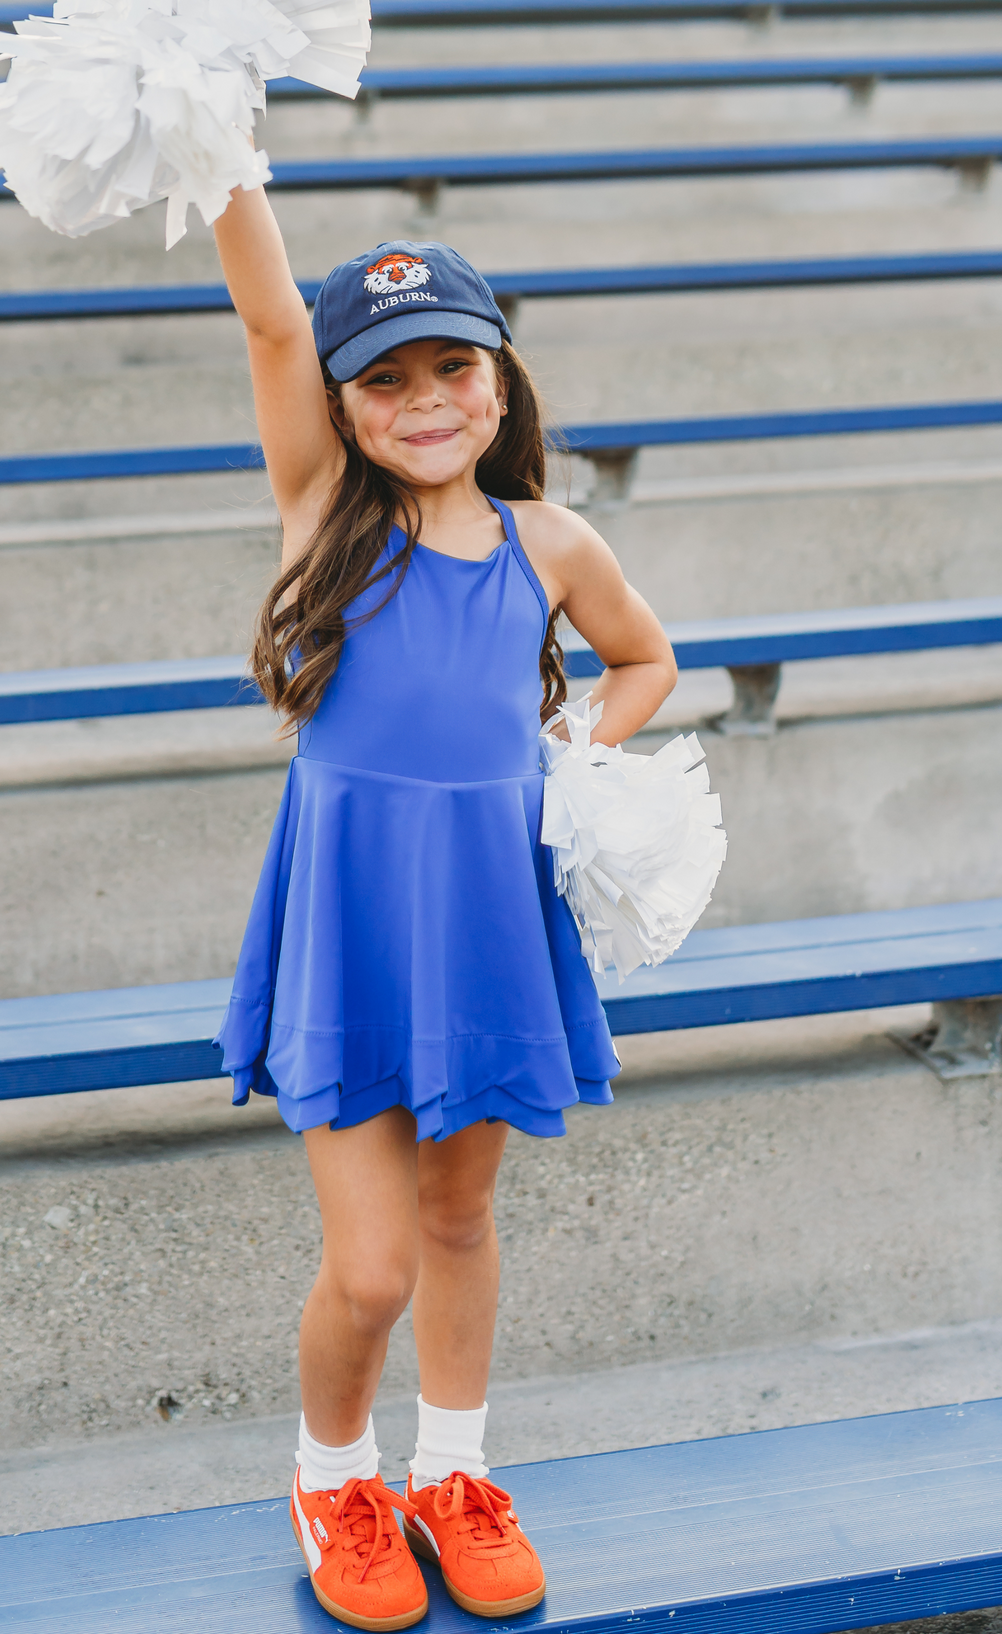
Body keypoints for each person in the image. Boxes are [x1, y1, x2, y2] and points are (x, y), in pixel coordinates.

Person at [212, 183, 677, 1631]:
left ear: (498, 380)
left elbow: (643, 661)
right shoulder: (317, 518)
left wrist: (574, 767)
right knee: (369, 1264)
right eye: (385, 378)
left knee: (460, 1219)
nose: (423, 400)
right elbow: (272, 316)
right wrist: (224, 151)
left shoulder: (550, 542)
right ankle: (333, 1475)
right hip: (353, 929)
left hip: (485, 921)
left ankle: (454, 1473)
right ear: (344, 408)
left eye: (451, 367)